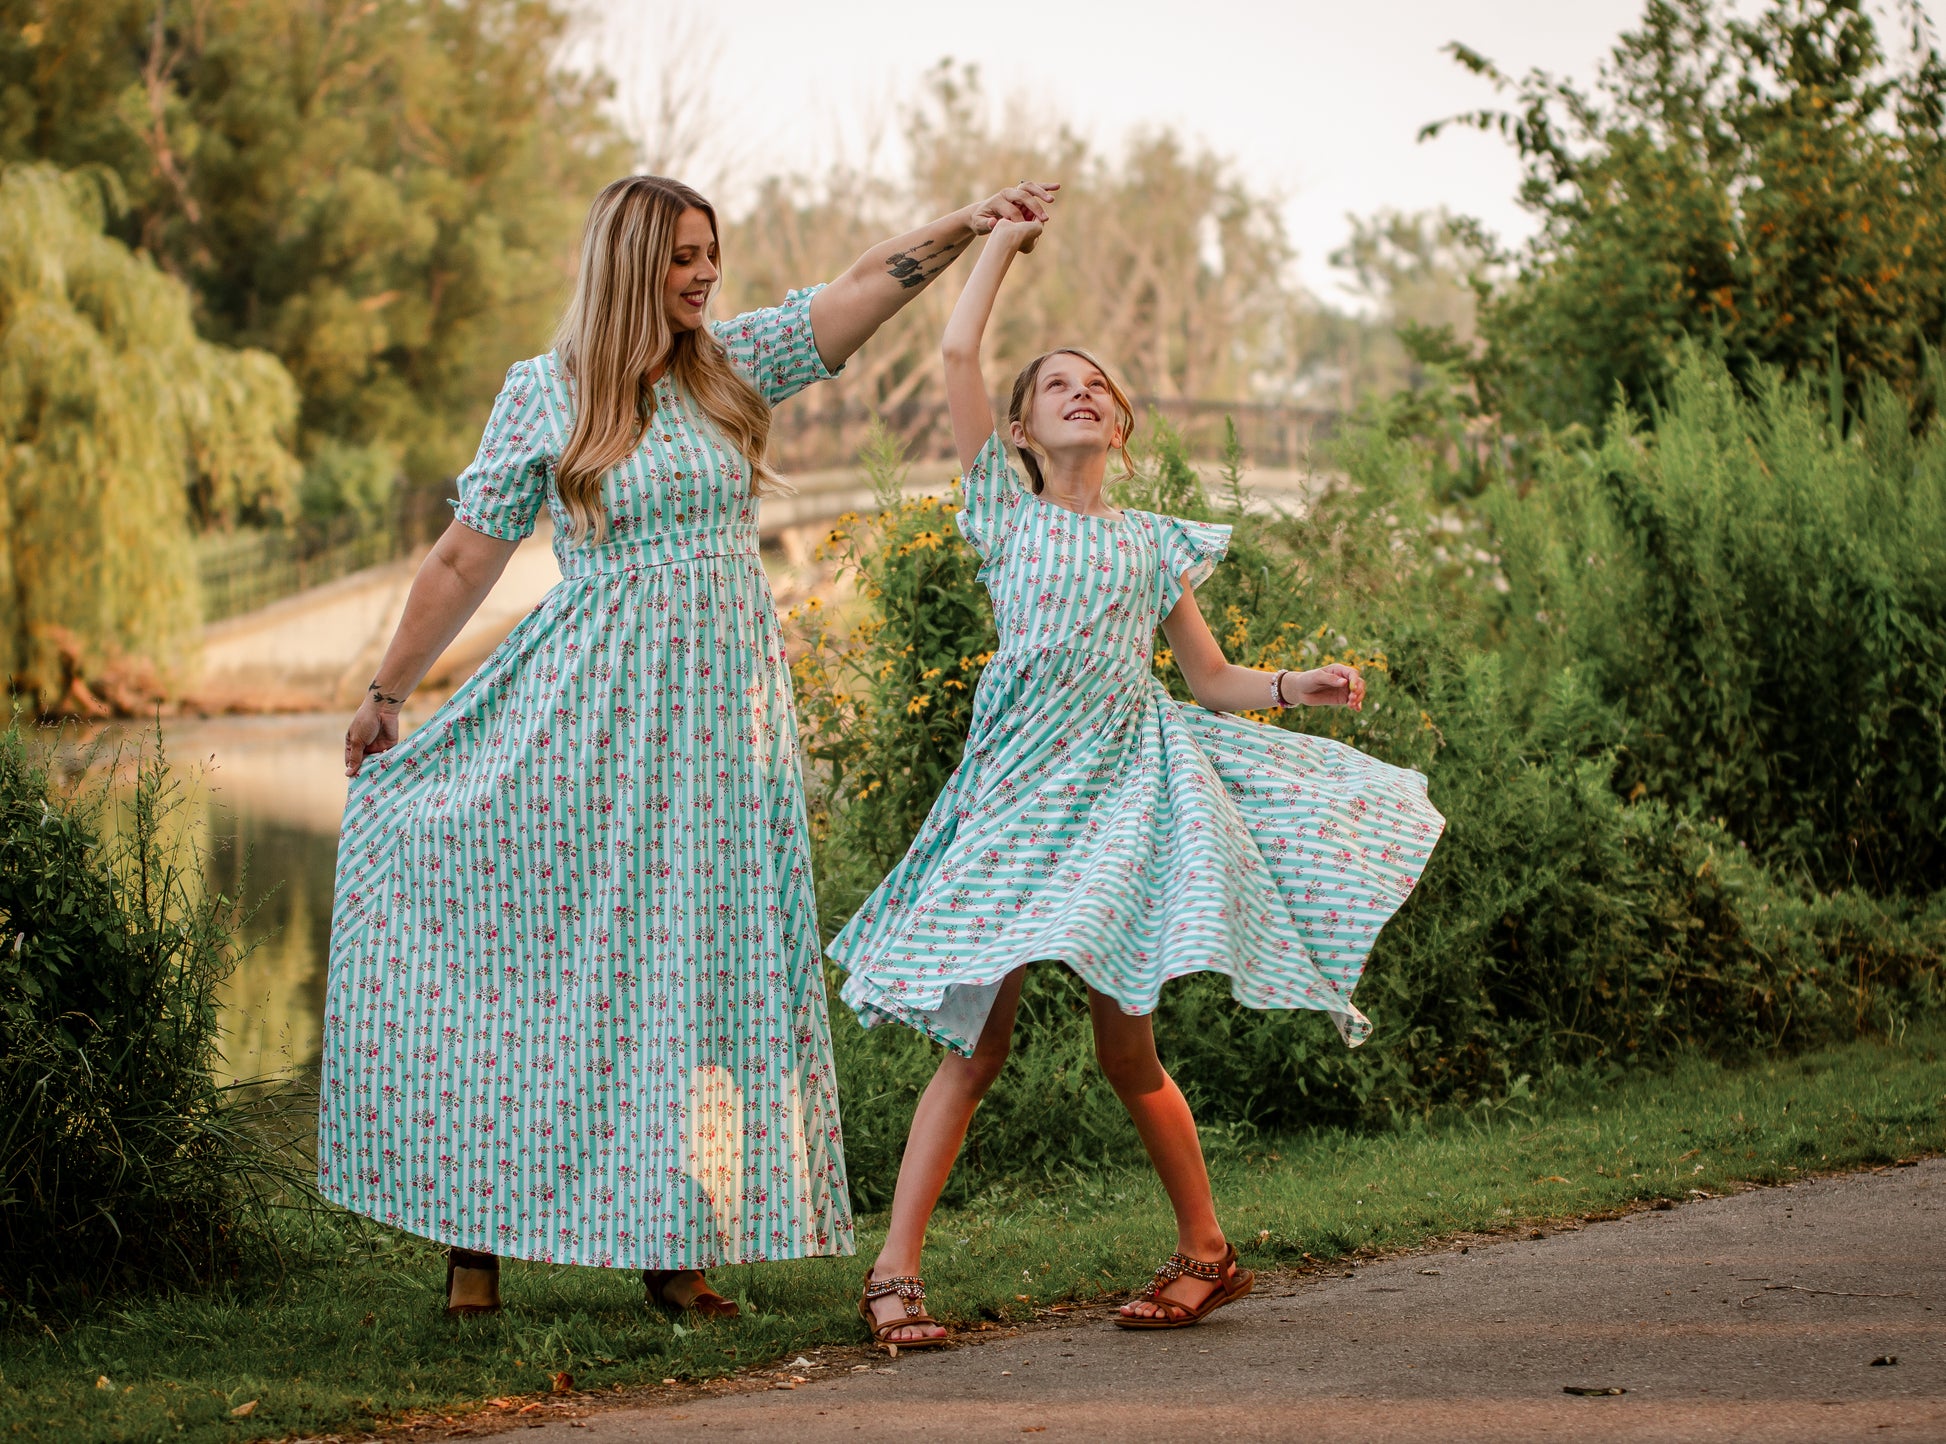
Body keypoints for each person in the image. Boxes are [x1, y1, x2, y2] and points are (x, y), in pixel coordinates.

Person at [322, 173, 1060, 1318]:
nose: (703, 272)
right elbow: (465, 558)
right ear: (628, 264)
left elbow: (865, 283)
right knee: (540, 968)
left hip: (721, 734)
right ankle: (474, 1240)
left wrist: (968, 227)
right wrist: (384, 691)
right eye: (681, 257)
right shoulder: (548, 391)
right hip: (589, 719)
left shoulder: (729, 363)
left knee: (691, 979)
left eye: (710, 251)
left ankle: (671, 1245)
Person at [829, 213, 1446, 1345]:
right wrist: (999, 249)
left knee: (1128, 1050)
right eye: (1054, 384)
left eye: (1095, 383)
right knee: (974, 1042)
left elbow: (1206, 678)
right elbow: (956, 353)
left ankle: (1205, 1251)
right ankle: (892, 1273)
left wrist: (1293, 685)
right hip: (1014, 802)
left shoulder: (1153, 540)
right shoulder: (1002, 513)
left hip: (1119, 800)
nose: (1077, 391)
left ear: (1118, 421)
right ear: (1019, 426)